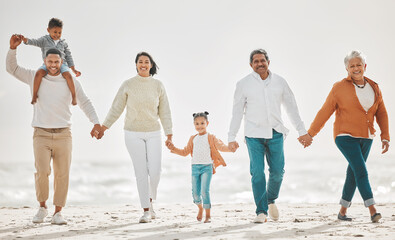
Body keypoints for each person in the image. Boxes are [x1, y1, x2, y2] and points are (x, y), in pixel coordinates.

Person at [6, 35, 101, 225]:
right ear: (44, 61)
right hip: (40, 133)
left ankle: (58, 212)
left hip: (64, 134)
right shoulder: (35, 76)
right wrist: (13, 49)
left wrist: (96, 122)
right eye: (50, 61)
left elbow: (85, 102)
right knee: (42, 172)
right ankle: (42, 208)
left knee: (62, 173)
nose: (53, 65)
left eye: (56, 62)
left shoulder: (70, 81)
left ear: (61, 62)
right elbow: (12, 69)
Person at [305, 50, 390, 223]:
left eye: (359, 65)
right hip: (344, 136)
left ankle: (342, 211)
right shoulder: (339, 88)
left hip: (366, 136)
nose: (356, 68)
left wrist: (385, 136)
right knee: (361, 170)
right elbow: (325, 111)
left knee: (353, 173)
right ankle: (373, 209)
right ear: (346, 68)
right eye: (352, 66)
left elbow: (381, 113)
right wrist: (310, 133)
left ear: (365, 66)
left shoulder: (374, 87)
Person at [228, 49, 311, 223]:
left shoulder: (280, 82)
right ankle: (261, 212)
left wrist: (302, 131)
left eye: (262, 60)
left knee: (277, 172)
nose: (260, 64)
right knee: (257, 173)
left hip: (276, 133)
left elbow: (291, 108)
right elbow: (236, 112)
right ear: (251, 65)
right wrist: (231, 137)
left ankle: (270, 199)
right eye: (256, 61)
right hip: (253, 135)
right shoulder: (243, 84)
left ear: (268, 62)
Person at [100, 52, 173, 223]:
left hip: (154, 132)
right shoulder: (128, 84)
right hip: (133, 133)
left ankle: (150, 200)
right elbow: (116, 108)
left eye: (146, 62)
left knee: (155, 172)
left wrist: (169, 133)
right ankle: (146, 210)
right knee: (141, 172)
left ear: (151, 65)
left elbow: (165, 111)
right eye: (140, 62)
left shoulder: (158, 85)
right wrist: (104, 127)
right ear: (136, 65)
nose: (143, 64)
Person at [167, 112, 232, 223]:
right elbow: (184, 152)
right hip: (195, 168)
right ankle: (200, 208)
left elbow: (221, 147)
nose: (199, 126)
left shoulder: (211, 137)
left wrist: (230, 148)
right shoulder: (193, 138)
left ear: (207, 123)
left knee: (204, 191)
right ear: (194, 125)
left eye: (202, 123)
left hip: (207, 167)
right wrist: (173, 148)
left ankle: (208, 215)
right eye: (197, 124)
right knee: (196, 194)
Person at [21, 17, 81, 105]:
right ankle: (34, 95)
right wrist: (25, 40)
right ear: (48, 30)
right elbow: (35, 42)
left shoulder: (63, 43)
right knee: (38, 73)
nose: (57, 34)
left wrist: (73, 69)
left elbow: (68, 56)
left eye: (59, 32)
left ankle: (74, 96)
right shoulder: (44, 40)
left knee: (68, 76)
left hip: (62, 64)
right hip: (47, 64)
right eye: (55, 32)